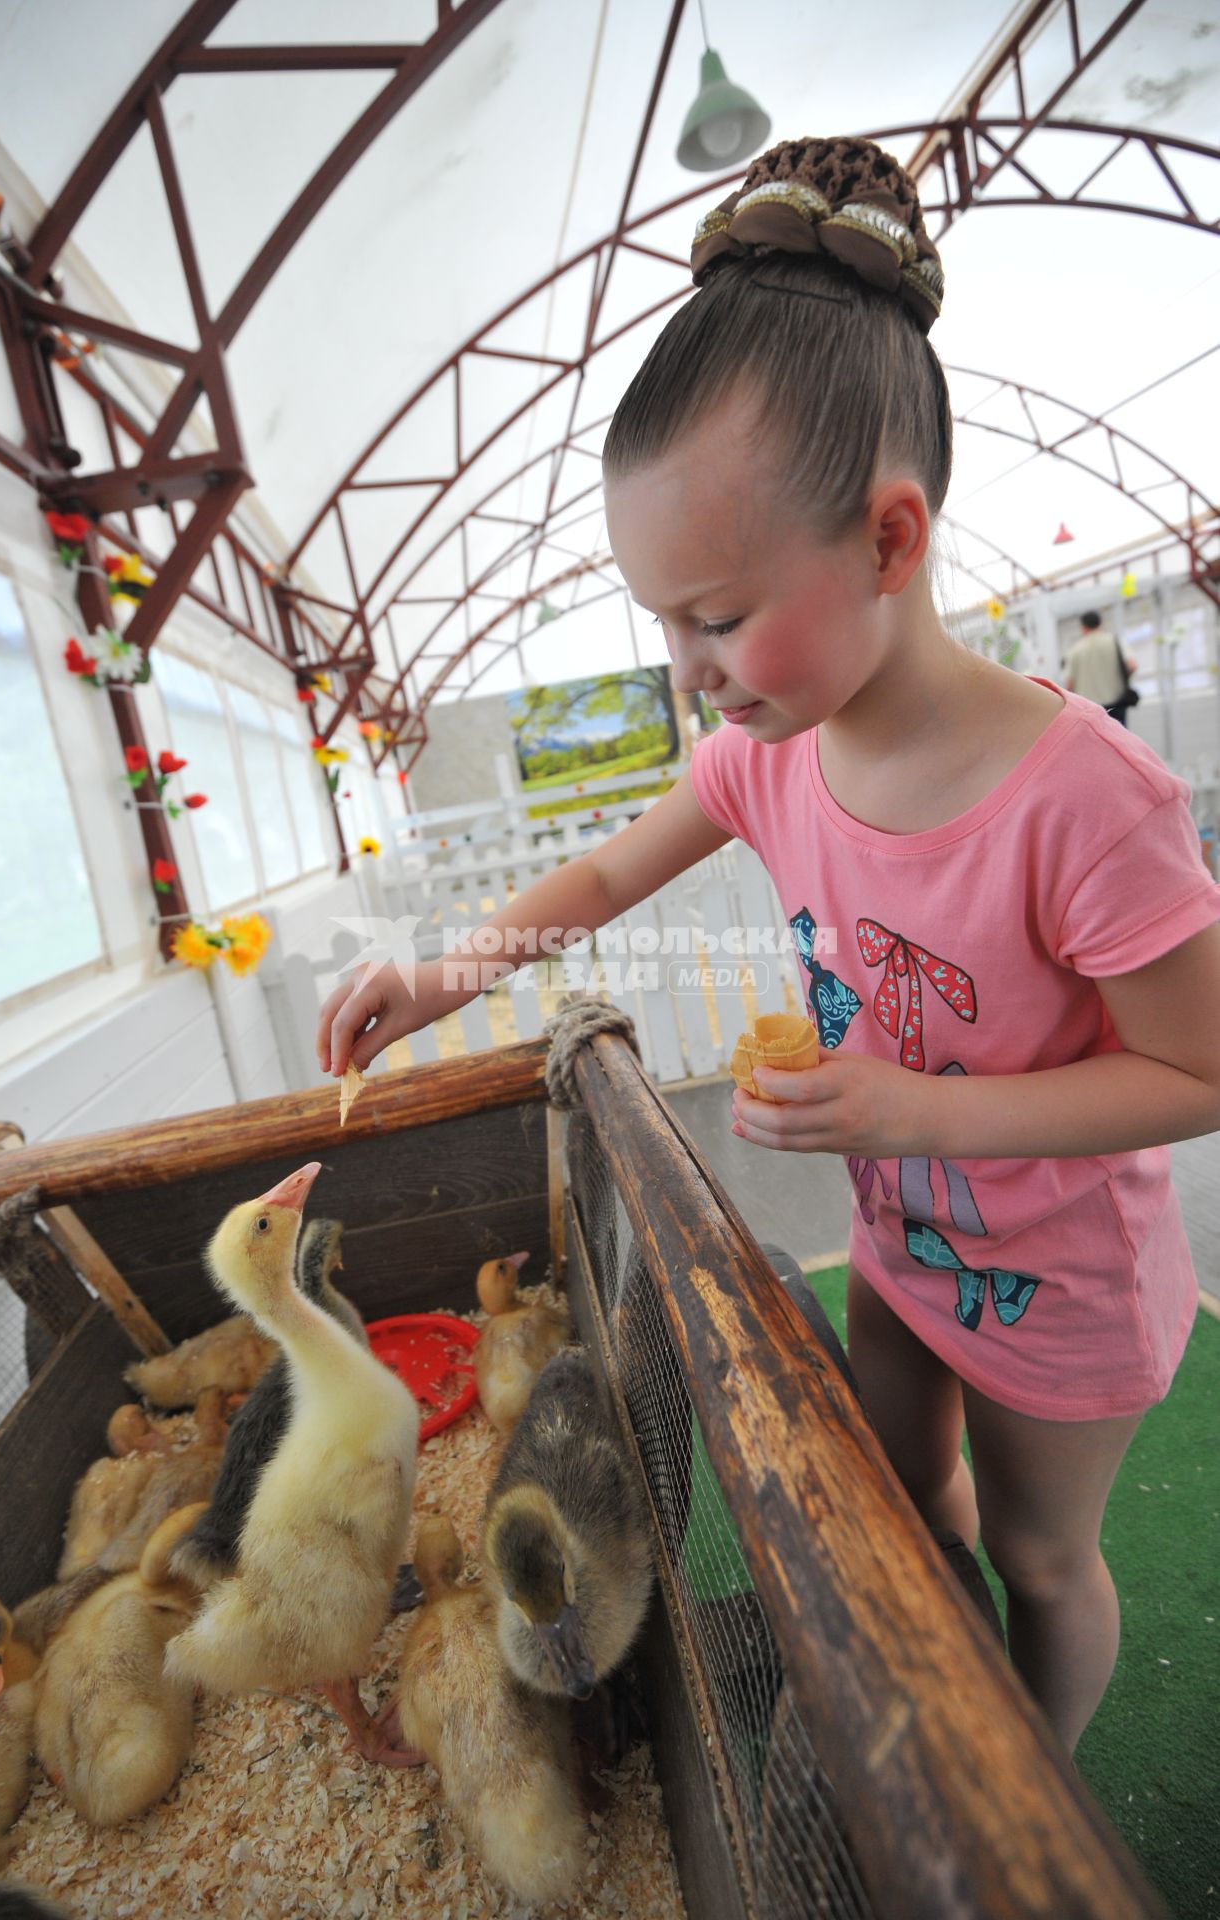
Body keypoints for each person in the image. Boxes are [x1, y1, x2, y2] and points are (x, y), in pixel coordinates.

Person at [317, 136, 1220, 1757]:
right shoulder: (765, 757)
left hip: (1058, 1289)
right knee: (891, 1491)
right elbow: (595, 877)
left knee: (1039, 1554)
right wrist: (431, 978)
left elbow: (1194, 1069)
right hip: (895, 1240)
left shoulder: (1080, 799)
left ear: (889, 540)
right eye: (663, 625)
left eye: (716, 619)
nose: (690, 674)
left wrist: (911, 1112)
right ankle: (925, 1715)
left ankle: (1033, 1782)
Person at [1065, 609, 1136, 725]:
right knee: (1119, 740)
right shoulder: (1115, 641)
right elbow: (1131, 665)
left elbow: (1069, 685)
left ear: (1083, 627)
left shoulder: (1075, 650)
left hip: (1090, 710)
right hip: (1116, 704)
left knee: (1096, 742)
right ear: (1101, 623)